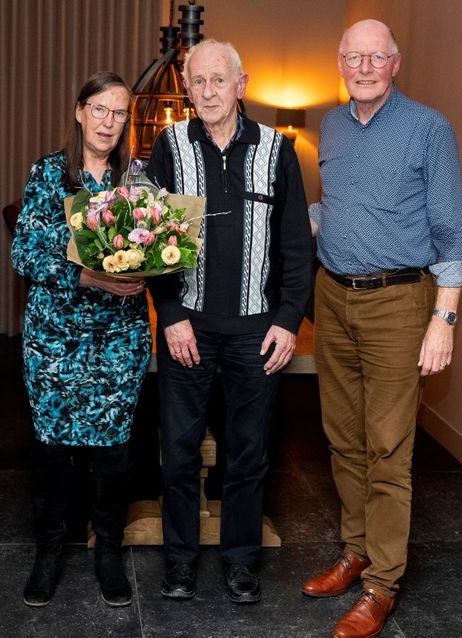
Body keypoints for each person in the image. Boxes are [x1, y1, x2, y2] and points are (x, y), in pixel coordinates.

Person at [300, 19, 462, 638]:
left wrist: (443, 320)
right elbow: (339, 203)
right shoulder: (333, 125)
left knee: (388, 447)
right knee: (342, 437)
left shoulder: (429, 128)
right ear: (340, 63)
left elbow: (453, 232)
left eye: (376, 56)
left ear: (395, 63)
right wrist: (297, 219)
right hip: (333, 299)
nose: (365, 66)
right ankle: (357, 550)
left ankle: (382, 584)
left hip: (400, 305)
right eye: (354, 56)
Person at [147, 39, 313, 604]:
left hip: (256, 330)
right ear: (187, 89)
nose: (208, 91)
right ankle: (179, 562)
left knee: (248, 453)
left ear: (241, 86)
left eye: (219, 80)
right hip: (187, 327)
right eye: (198, 82)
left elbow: (294, 245)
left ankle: (242, 562)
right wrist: (169, 315)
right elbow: (151, 239)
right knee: (179, 450)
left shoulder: (278, 150)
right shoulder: (168, 147)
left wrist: (289, 320)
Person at [11, 71, 150, 609]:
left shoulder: (137, 181)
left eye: (119, 113)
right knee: (54, 455)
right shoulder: (48, 173)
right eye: (100, 109)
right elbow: (23, 253)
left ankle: (108, 553)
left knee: (115, 454)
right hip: (54, 340)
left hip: (119, 338)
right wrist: (88, 276)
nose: (109, 122)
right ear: (79, 111)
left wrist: (152, 267)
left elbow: (158, 247)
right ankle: (48, 554)